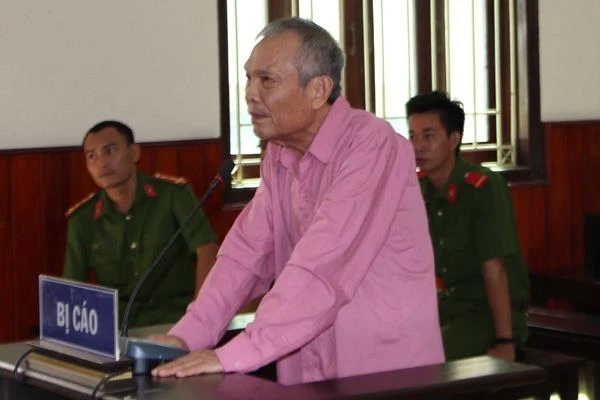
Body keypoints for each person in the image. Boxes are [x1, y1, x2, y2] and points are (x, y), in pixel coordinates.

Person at [150, 17, 444, 385]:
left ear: (318, 89)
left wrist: (235, 354)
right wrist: (187, 336)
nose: (250, 94)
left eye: (267, 80)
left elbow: (324, 263)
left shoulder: (371, 145)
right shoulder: (279, 153)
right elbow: (246, 255)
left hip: (382, 372)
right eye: (248, 78)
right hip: (308, 368)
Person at [406, 91, 529, 361]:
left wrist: (505, 341)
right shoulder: (418, 188)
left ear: (454, 139)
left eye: (428, 136)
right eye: (412, 136)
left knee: (425, 356)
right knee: (387, 346)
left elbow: (495, 269)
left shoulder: (483, 188)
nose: (418, 146)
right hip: (446, 308)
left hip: (486, 313)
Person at [62, 120, 219, 328]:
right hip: (118, 327)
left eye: (110, 151)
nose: (102, 163)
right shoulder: (83, 219)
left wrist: (199, 315)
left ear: (134, 152)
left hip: (175, 320)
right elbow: (72, 288)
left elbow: (207, 249)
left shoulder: (172, 195)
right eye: (92, 156)